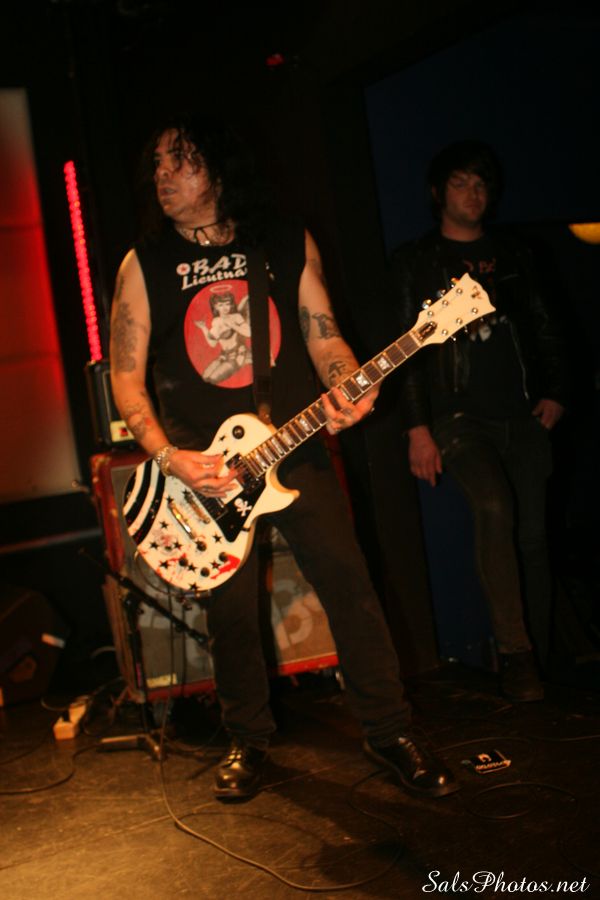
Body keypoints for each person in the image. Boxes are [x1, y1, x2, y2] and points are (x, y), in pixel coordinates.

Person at [109, 114, 458, 802]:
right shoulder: (143, 263)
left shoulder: (284, 240)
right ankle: (247, 737)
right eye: (157, 165)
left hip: (293, 447)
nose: (163, 176)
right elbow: (125, 375)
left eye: (179, 161)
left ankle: (390, 730)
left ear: (218, 168)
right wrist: (169, 456)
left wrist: (347, 381)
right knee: (231, 615)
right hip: (203, 472)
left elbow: (323, 334)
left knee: (350, 587)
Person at [390, 140, 568, 701]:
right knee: (493, 506)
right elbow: (405, 351)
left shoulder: (516, 253)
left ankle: (540, 657)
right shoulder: (417, 260)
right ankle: (516, 656)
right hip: (458, 418)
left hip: (522, 413)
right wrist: (417, 428)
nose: (473, 193)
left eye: (481, 184)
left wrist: (556, 391)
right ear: (438, 191)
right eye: (461, 182)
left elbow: (544, 321)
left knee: (533, 538)